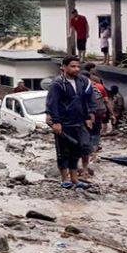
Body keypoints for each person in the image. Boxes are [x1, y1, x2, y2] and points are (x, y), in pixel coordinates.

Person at [45, 55, 97, 190]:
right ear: (64, 67)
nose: (76, 69)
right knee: (63, 151)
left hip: (79, 122)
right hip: (64, 122)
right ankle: (64, 179)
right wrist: (56, 122)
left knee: (78, 150)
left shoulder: (83, 82)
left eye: (78, 66)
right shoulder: (57, 84)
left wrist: (89, 115)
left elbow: (89, 100)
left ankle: (74, 178)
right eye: (73, 66)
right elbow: (52, 103)